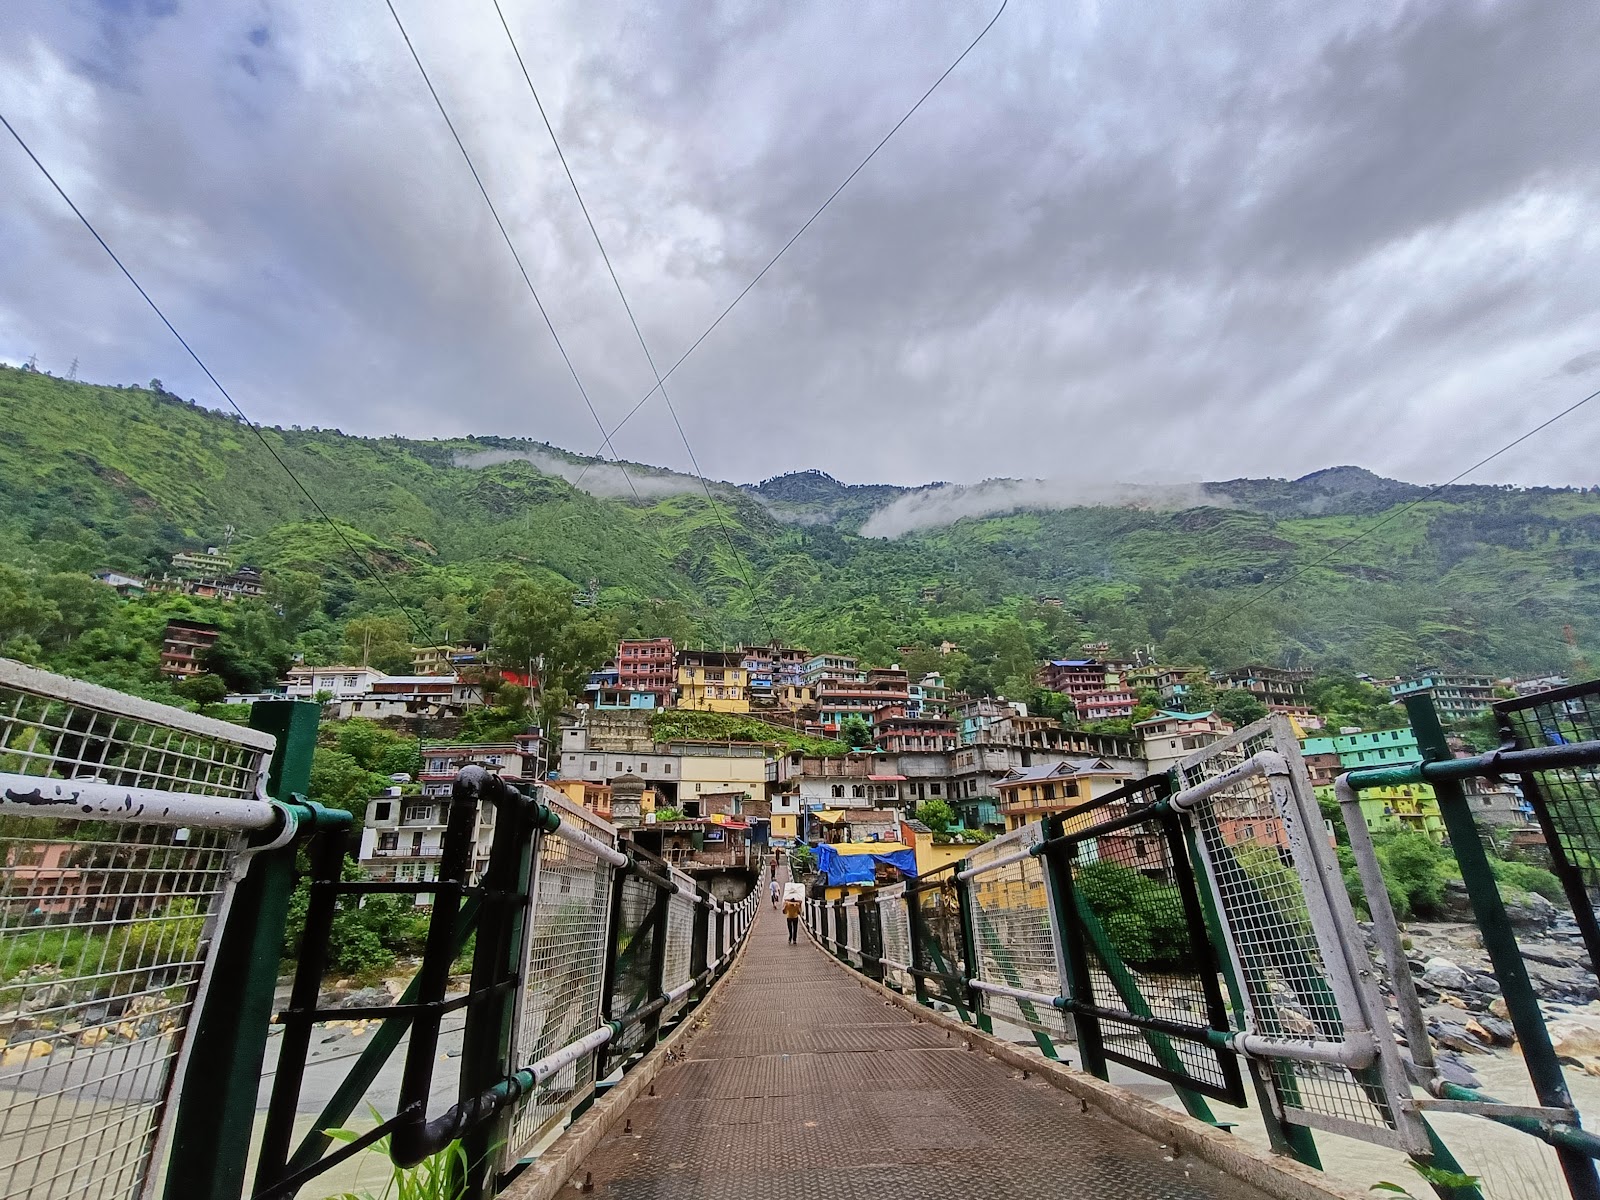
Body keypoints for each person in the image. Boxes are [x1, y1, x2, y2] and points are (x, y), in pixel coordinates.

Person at [782, 880, 805, 944]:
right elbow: (799, 912)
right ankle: (794, 939)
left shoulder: (787, 904)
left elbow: (784, 911)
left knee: (790, 929)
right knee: (795, 929)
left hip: (789, 917)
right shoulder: (797, 905)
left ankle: (790, 938)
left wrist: (784, 906)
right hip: (795, 917)